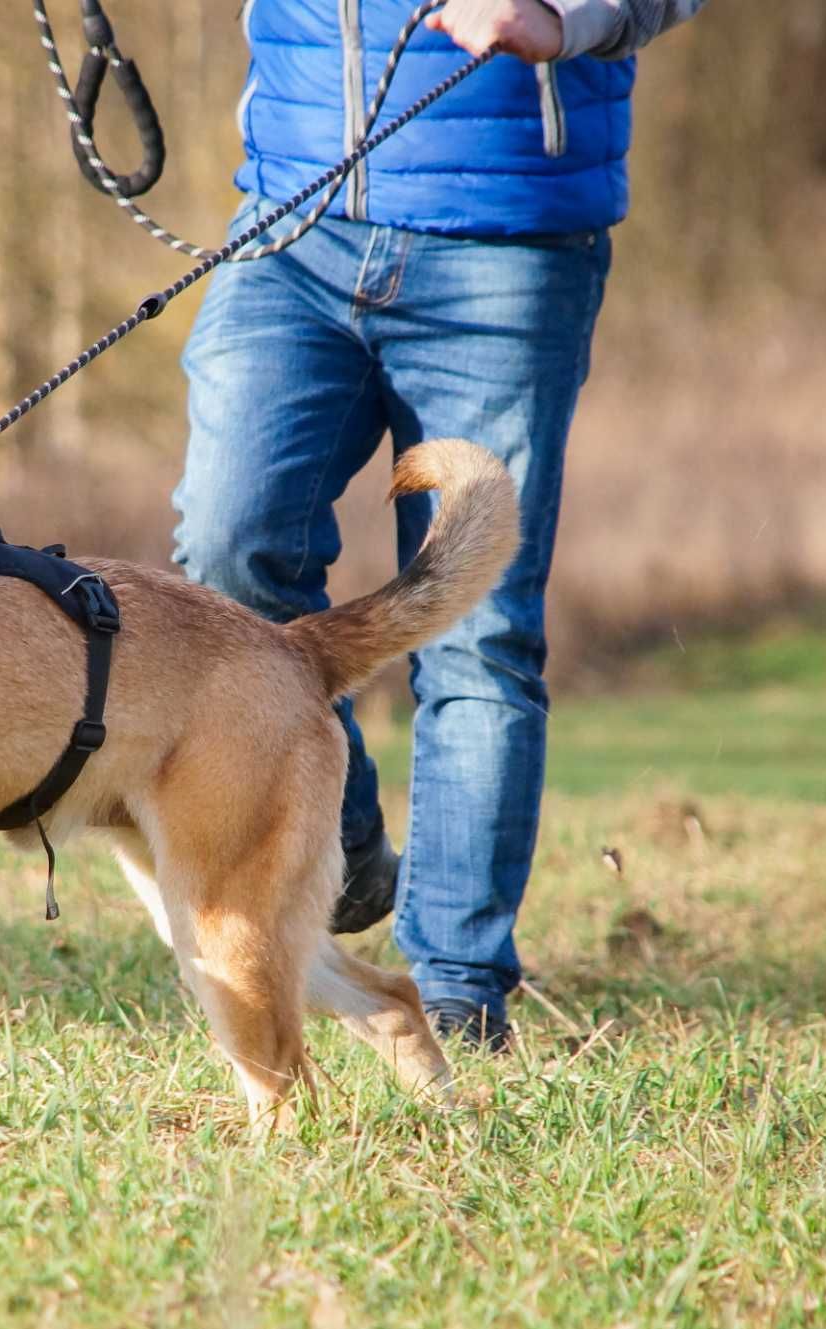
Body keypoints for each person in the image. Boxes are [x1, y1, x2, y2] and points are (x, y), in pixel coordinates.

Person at [173, 0, 707, 1050]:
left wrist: (563, 16)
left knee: (479, 626)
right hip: (291, 221)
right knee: (224, 557)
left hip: (506, 240)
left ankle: (458, 987)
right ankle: (349, 838)